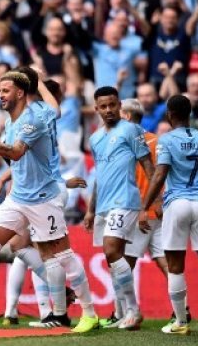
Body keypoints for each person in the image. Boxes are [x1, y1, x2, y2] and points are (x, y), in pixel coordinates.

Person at [0, 71, 97, 332]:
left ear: (21, 93)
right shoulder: (15, 119)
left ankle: (89, 313)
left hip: (43, 199)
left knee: (61, 255)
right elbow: (54, 111)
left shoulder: (32, 119)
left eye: (5, 90)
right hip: (18, 197)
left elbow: (15, 152)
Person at [141, 95, 198, 336]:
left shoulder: (166, 140)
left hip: (176, 204)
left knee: (176, 266)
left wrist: (144, 207)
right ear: (189, 113)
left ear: (169, 114)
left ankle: (181, 322)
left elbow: (160, 174)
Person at [84, 86, 155, 331]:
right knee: (116, 258)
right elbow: (99, 176)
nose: (108, 110)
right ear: (96, 109)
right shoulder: (94, 138)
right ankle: (124, 313)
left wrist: (149, 205)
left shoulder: (131, 130)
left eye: (112, 105)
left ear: (119, 105)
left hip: (126, 200)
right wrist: (91, 210)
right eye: (103, 106)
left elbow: (148, 167)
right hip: (104, 204)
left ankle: (134, 311)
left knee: (111, 250)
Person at [119, 98, 191, 328]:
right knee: (165, 263)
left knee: (122, 264)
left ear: (128, 116)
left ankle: (124, 313)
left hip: (137, 210)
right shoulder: (158, 141)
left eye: (120, 113)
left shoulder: (125, 140)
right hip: (160, 211)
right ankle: (183, 310)